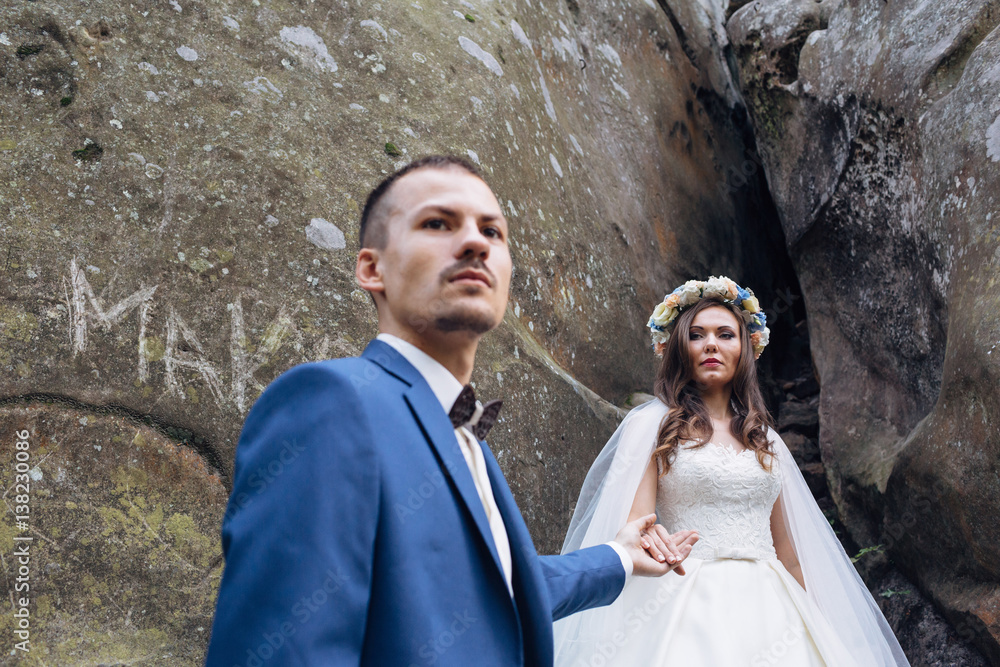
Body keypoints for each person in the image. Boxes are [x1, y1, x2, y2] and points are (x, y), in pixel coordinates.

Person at [205, 155, 700, 667]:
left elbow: (498, 592)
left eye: (493, 231)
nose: (475, 243)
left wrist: (619, 556)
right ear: (371, 268)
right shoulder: (331, 402)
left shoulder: (466, 438)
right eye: (437, 223)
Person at [553, 277, 911, 666]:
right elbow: (639, 525)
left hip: (772, 605)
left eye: (725, 334)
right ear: (679, 348)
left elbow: (788, 552)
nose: (711, 344)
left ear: (745, 349)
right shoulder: (654, 426)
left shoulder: (765, 439)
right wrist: (655, 542)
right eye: (696, 335)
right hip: (683, 597)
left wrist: (824, 629)